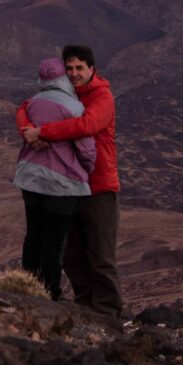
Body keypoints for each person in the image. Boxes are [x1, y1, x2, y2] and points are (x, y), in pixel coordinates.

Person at [21, 43, 121, 316]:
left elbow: (86, 125)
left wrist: (43, 132)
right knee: (72, 253)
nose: (75, 73)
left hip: (99, 184)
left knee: (100, 253)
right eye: (70, 68)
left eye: (80, 68)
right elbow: (26, 107)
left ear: (92, 69)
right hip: (69, 185)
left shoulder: (102, 97)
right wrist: (27, 128)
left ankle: (108, 312)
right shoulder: (65, 94)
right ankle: (86, 305)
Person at [12, 58, 95, 297]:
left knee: (34, 235)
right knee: (55, 240)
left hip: (30, 179)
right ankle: (50, 292)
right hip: (62, 184)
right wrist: (87, 169)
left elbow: (24, 128)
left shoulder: (31, 105)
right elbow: (86, 149)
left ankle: (25, 286)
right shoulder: (75, 108)